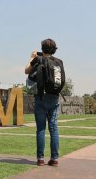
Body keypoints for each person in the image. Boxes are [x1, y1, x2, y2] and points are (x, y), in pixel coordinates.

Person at [25, 38, 64, 167]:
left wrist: (31, 58)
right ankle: (54, 159)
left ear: (42, 49)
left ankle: (40, 159)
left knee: (41, 129)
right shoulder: (58, 62)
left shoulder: (38, 59)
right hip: (54, 97)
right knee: (53, 128)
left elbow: (26, 70)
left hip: (41, 96)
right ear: (54, 49)